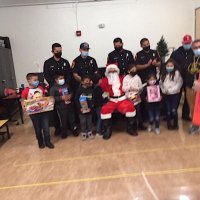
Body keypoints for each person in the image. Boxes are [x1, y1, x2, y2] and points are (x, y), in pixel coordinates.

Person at [100, 64, 137, 140]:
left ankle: (130, 128)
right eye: (111, 70)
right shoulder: (104, 80)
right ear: (107, 71)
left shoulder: (122, 78)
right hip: (111, 100)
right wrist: (105, 97)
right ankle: (108, 130)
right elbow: (103, 91)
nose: (112, 71)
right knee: (104, 109)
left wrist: (131, 96)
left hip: (122, 99)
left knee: (130, 107)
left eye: (114, 70)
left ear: (117, 71)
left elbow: (127, 88)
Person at [43, 43, 72, 136]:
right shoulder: (47, 63)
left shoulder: (65, 62)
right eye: (57, 51)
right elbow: (46, 75)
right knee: (55, 110)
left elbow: (69, 74)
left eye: (60, 50)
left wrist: (65, 83)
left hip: (65, 87)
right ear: (52, 51)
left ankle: (67, 126)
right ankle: (57, 128)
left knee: (67, 107)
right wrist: (55, 84)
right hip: (54, 88)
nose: (59, 52)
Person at [21, 73, 54, 149]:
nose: (37, 81)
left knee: (46, 127)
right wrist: (23, 107)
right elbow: (23, 100)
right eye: (35, 80)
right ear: (29, 81)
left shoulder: (40, 88)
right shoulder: (26, 91)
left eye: (37, 80)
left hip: (43, 111)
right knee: (38, 128)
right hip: (33, 113)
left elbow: (44, 98)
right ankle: (40, 142)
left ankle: (48, 142)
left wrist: (49, 101)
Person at [170, 35, 193, 121]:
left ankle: (185, 114)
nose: (187, 44)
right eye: (185, 43)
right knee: (176, 96)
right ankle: (173, 113)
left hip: (190, 78)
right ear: (182, 43)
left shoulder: (194, 52)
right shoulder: (176, 53)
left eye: (189, 43)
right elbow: (170, 63)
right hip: (178, 78)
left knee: (188, 97)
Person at [50, 72, 78, 139]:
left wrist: (70, 95)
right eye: (60, 78)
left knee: (72, 118)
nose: (62, 79)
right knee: (63, 120)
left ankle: (74, 130)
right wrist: (61, 98)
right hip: (61, 107)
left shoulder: (66, 85)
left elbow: (71, 92)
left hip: (70, 105)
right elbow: (52, 98)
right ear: (56, 80)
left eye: (63, 78)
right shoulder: (53, 88)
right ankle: (64, 132)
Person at [160, 59, 183, 130]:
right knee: (168, 110)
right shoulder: (163, 73)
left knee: (174, 110)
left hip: (174, 95)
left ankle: (175, 124)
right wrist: (164, 90)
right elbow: (161, 84)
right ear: (165, 66)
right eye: (168, 66)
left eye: (171, 66)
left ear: (174, 66)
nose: (169, 67)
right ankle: (169, 124)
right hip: (166, 95)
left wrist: (170, 90)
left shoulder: (177, 73)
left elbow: (179, 84)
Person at [122, 64, 145, 130]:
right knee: (131, 113)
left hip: (137, 98)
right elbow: (123, 88)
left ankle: (140, 125)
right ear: (129, 71)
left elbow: (141, 87)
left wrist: (137, 90)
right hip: (128, 99)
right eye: (132, 70)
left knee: (138, 112)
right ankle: (132, 126)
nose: (134, 71)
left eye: (135, 70)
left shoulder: (137, 77)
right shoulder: (126, 78)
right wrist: (129, 88)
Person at [186, 39, 200, 134]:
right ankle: (195, 125)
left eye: (199, 47)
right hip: (190, 86)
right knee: (192, 106)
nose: (197, 49)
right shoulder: (189, 57)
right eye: (195, 48)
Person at [75, 75, 94, 140]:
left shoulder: (91, 89)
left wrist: (90, 108)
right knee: (83, 121)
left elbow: (93, 99)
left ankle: (89, 132)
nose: (87, 82)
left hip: (89, 110)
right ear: (82, 82)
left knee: (89, 121)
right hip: (81, 110)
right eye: (86, 81)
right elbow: (76, 100)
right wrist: (80, 108)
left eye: (88, 81)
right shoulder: (79, 90)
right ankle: (84, 132)